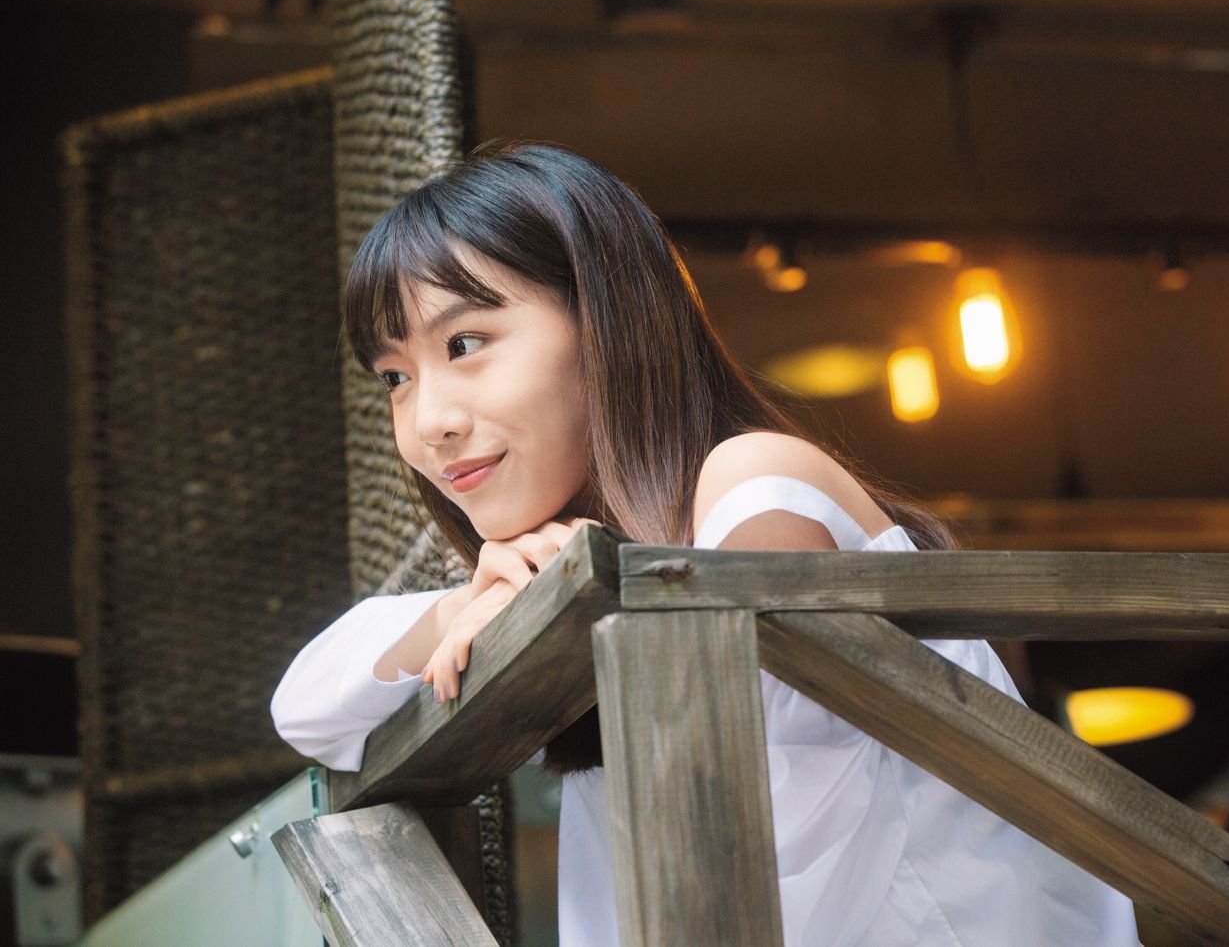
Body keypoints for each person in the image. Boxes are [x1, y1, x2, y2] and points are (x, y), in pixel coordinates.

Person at [270, 139, 1144, 946]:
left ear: (607, 322)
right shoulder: (592, 571)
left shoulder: (754, 484)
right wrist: (468, 610)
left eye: (466, 343)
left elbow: (763, 877)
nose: (428, 422)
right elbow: (306, 710)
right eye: (395, 378)